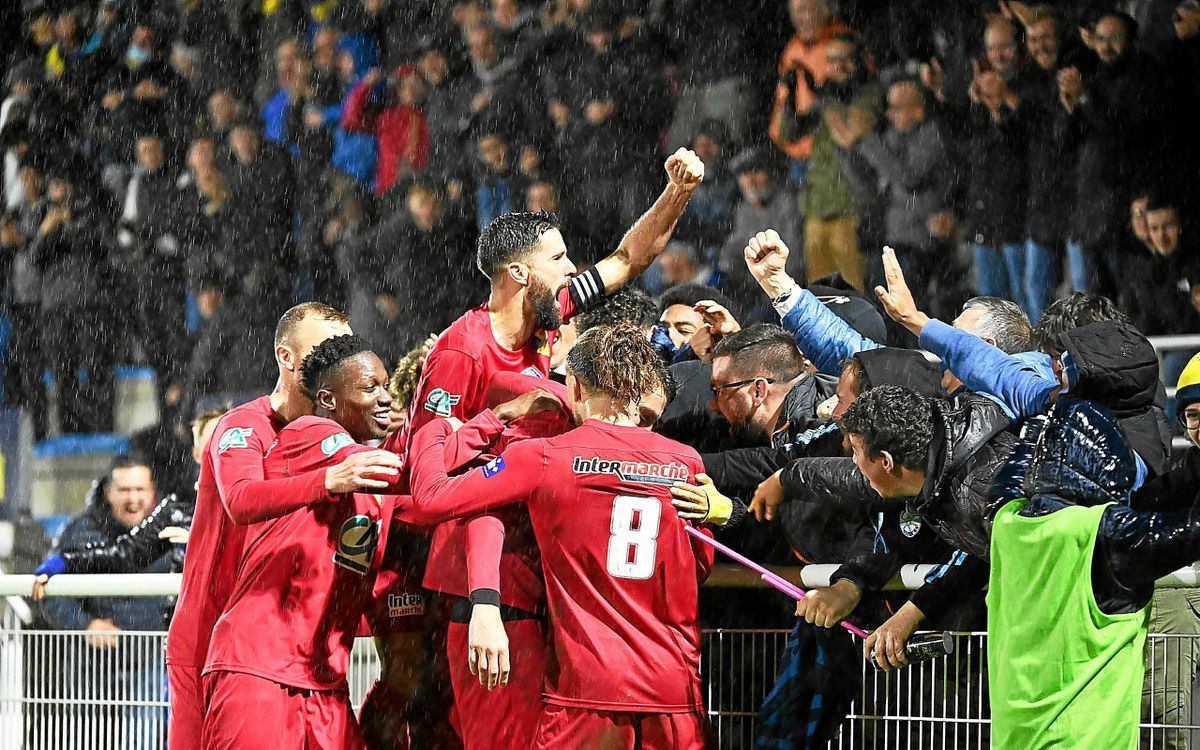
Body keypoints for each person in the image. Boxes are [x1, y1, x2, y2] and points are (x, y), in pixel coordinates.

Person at [402, 149, 702, 750]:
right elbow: (428, 472)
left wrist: (677, 193)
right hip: (488, 589)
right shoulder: (463, 353)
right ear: (518, 274)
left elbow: (627, 258)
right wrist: (501, 416)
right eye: (559, 259)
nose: (573, 271)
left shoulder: (546, 315)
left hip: (535, 580)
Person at [404, 323, 716, 749]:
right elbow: (700, 564)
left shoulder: (545, 456)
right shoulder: (687, 462)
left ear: (577, 385)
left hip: (587, 687)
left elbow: (432, 498)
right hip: (675, 687)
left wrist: (431, 430)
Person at [166, 302, 402, 750]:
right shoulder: (243, 427)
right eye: (326, 348)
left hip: (297, 654)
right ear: (287, 357)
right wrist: (325, 480)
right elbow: (241, 498)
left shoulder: (340, 440)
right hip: (213, 636)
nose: (337, 359)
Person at [987, 397, 1200, 749]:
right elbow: (1187, 531)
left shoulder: (1006, 524)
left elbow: (1008, 482)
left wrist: (1045, 413)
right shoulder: (1104, 535)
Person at [41, 455, 173, 750]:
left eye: (140, 489)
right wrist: (85, 625)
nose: (133, 498)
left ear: (153, 492)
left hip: (149, 663)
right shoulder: (81, 532)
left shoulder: (171, 532)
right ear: (108, 492)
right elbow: (52, 597)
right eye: (124, 490)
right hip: (90, 667)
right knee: (85, 740)